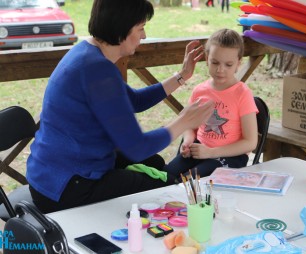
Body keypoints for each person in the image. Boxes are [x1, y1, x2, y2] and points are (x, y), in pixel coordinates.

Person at [26, 0, 214, 214]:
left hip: (51, 175)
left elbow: (132, 101)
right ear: (121, 27)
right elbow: (136, 147)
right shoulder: (96, 70)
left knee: (154, 162)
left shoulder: (87, 54)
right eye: (141, 28)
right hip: (66, 188)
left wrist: (181, 77)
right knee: (161, 187)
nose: (143, 36)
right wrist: (184, 121)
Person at [164, 28, 258, 178]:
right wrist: (188, 141)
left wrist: (212, 152)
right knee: (167, 175)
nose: (220, 70)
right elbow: (189, 124)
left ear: (238, 63)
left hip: (232, 155)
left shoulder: (242, 93)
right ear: (207, 58)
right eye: (215, 62)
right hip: (199, 149)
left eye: (228, 65)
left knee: (192, 180)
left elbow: (250, 142)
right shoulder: (199, 91)